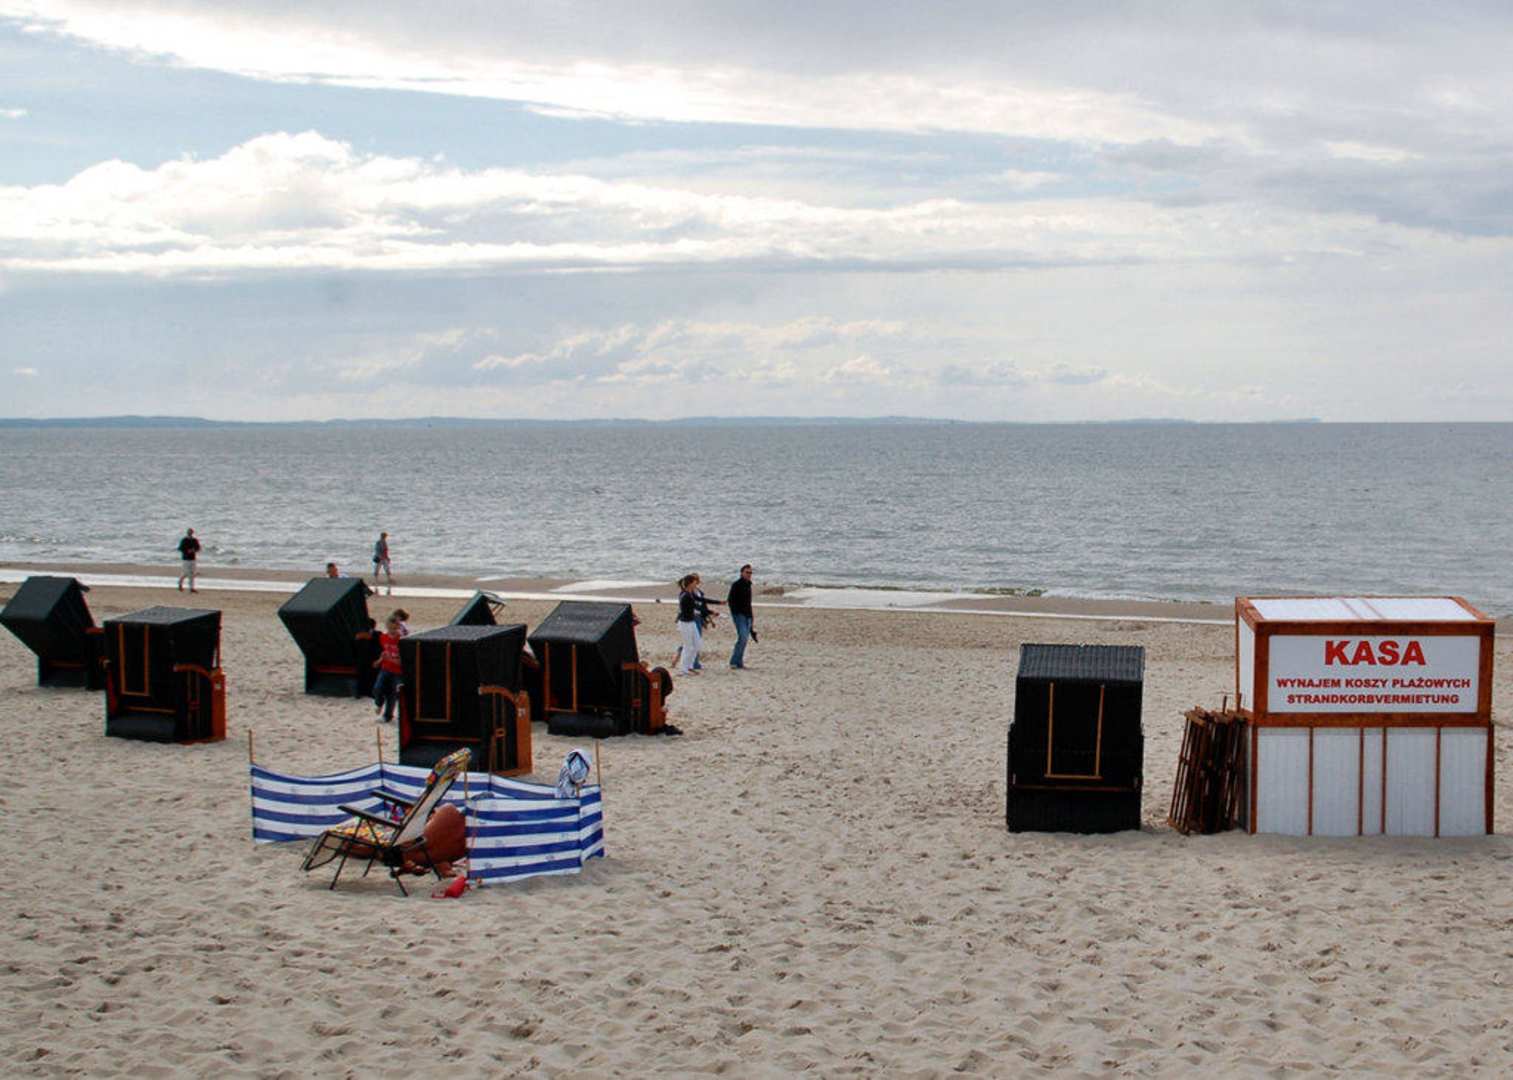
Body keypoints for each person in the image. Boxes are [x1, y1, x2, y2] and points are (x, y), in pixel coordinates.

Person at [372, 612, 405, 722]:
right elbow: (385, 652)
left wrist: (390, 659)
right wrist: (379, 661)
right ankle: (379, 703)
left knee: (392, 694)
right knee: (377, 688)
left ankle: (387, 716)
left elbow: (402, 661)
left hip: (398, 672)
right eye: (391, 628)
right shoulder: (383, 637)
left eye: (395, 628)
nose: (393, 630)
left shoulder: (401, 640)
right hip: (385, 668)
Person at [727, 563, 756, 669]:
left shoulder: (748, 585)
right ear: (742, 573)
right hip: (739, 615)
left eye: (751, 573)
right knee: (742, 637)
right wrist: (736, 613)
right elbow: (730, 600)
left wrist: (751, 616)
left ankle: (739, 662)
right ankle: (733, 661)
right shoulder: (736, 585)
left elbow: (749, 602)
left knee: (745, 639)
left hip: (748, 615)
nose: (749, 574)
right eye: (747, 572)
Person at [675, 575, 702, 675]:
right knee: (688, 646)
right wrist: (710, 612)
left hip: (692, 622)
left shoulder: (690, 594)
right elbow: (696, 607)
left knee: (697, 644)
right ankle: (683, 669)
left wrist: (717, 603)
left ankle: (689, 666)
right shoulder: (685, 595)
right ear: (690, 583)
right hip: (685, 623)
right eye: (695, 582)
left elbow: (700, 602)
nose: (696, 584)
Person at [176, 528, 201, 593]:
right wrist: (187, 551)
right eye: (189, 532)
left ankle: (191, 588)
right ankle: (180, 583)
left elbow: (198, 548)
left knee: (192, 573)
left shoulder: (194, 540)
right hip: (185, 559)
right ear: (187, 533)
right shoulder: (184, 540)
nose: (190, 533)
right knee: (186, 573)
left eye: (191, 532)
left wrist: (194, 550)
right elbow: (180, 548)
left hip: (193, 558)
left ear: (192, 533)